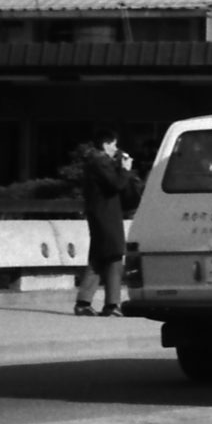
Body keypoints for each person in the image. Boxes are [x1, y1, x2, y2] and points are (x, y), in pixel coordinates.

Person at [73, 127, 138, 317]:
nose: (116, 149)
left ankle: (86, 302)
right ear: (105, 144)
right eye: (113, 145)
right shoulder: (99, 162)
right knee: (113, 255)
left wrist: (120, 168)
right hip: (105, 216)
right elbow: (116, 184)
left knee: (101, 257)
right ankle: (110, 304)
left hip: (104, 214)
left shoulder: (98, 162)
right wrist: (125, 170)